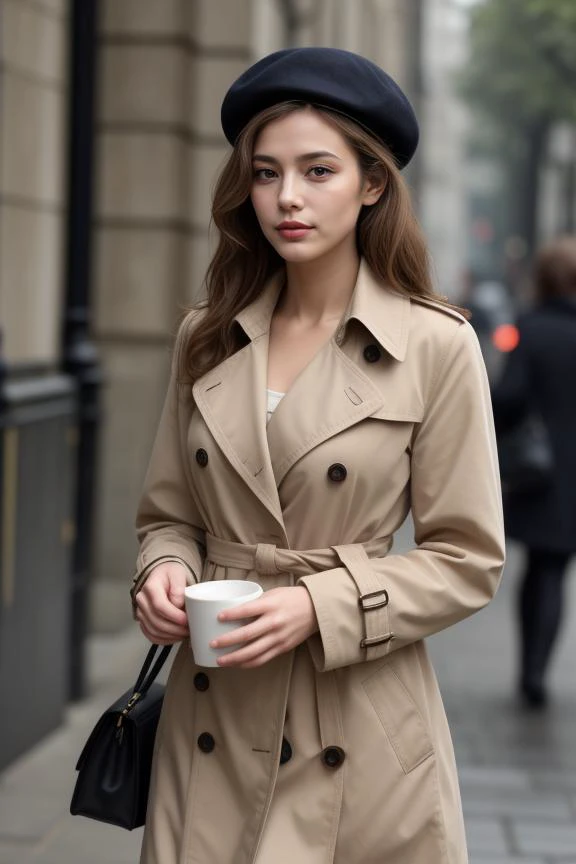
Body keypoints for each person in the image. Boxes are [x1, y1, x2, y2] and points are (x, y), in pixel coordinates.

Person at [131, 47, 505, 864]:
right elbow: (169, 514)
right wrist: (163, 573)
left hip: (356, 725)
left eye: (317, 170)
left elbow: (468, 559)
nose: (287, 198)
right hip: (213, 719)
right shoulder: (208, 335)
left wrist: (321, 605)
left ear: (372, 183)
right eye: (266, 173)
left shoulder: (435, 346)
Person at [492, 235, 576, 709]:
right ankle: (539, 670)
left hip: (540, 472)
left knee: (540, 569)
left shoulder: (532, 326)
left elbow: (508, 397)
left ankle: (531, 670)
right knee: (556, 569)